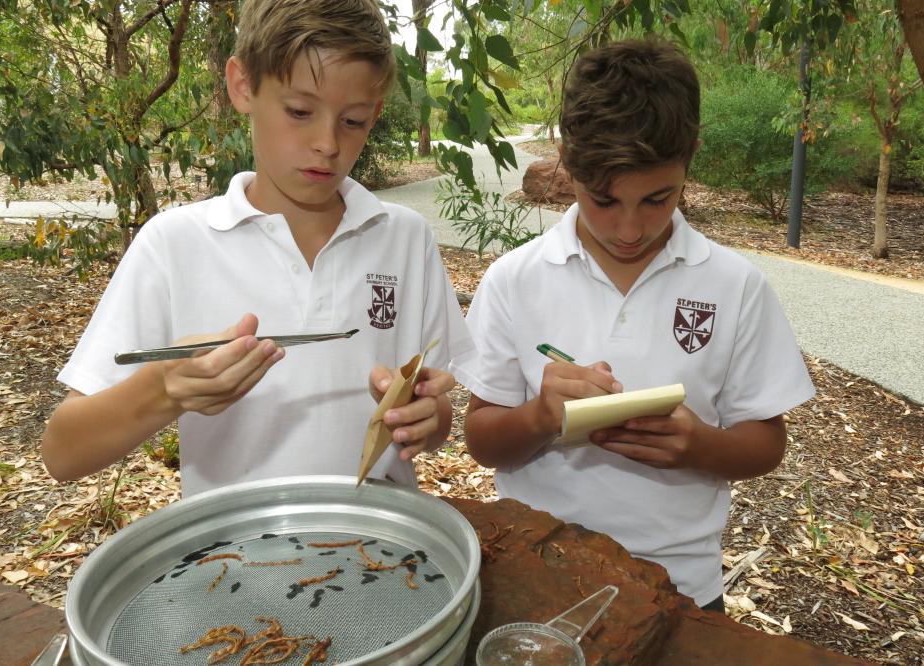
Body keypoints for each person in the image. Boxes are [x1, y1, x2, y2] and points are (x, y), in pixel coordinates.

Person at [42, 0, 473, 497]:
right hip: (235, 559)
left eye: (352, 121)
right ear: (243, 86)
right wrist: (164, 390)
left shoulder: (404, 238)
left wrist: (424, 417)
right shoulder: (175, 244)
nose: (327, 143)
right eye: (299, 112)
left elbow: (435, 418)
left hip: (377, 551)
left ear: (374, 114)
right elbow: (63, 454)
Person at [449, 39, 815, 612]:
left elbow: (766, 444)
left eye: (657, 199)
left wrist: (700, 445)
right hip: (535, 573)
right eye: (603, 200)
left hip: (681, 587)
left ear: (690, 155)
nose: (628, 228)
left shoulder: (733, 286)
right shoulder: (514, 280)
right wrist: (542, 415)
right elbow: (480, 439)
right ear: (568, 161)